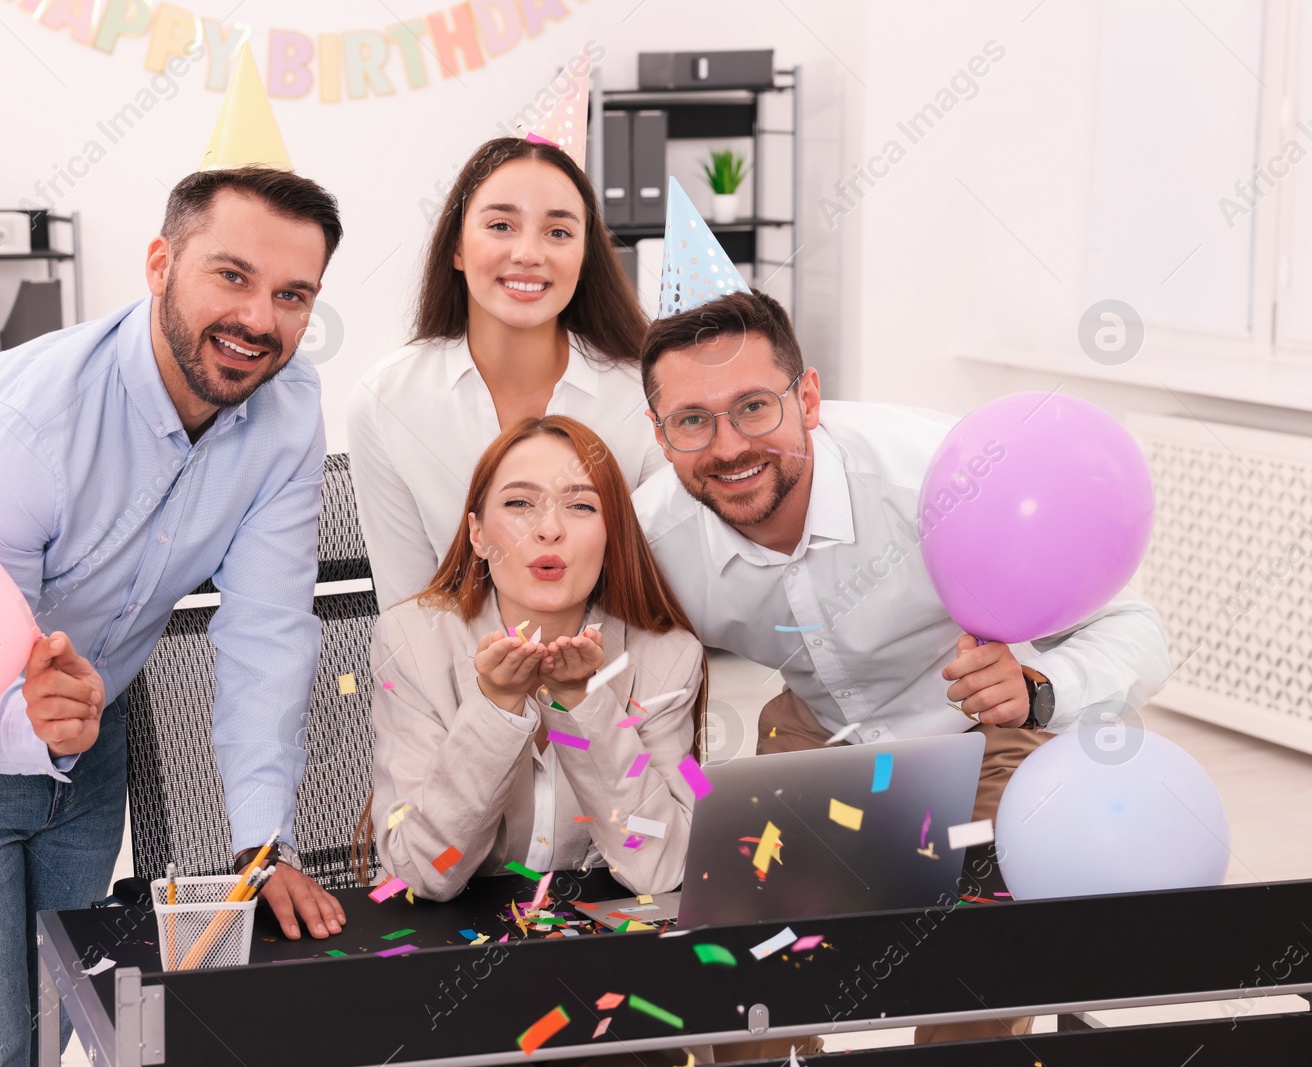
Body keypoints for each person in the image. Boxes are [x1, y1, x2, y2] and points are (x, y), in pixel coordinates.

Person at [0, 167, 350, 1067]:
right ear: (161, 263)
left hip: (87, 739)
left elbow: (266, 633)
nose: (260, 320)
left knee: (54, 1033)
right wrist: (28, 722)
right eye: (230, 276)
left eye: (292, 294)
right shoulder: (23, 422)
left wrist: (262, 843)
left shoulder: (289, 407)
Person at [634, 289, 1171, 1057]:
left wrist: (1037, 689)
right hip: (819, 727)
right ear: (659, 434)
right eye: (692, 420)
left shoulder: (943, 481)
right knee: (746, 965)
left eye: (754, 406)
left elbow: (1137, 629)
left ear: (808, 397)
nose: (727, 446)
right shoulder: (651, 538)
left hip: (981, 727)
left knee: (980, 960)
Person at [357, 415, 705, 902]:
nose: (549, 530)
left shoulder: (669, 657)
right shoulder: (411, 638)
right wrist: (496, 705)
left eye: (581, 506)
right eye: (520, 503)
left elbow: (663, 869)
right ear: (477, 535)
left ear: (612, 535)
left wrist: (583, 704)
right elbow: (419, 873)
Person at [348, 136, 667, 611]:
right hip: (454, 679)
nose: (527, 253)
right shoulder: (387, 401)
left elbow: (656, 596)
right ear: (457, 247)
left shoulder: (645, 395)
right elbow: (411, 613)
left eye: (558, 232)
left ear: (584, 260)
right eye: (501, 225)